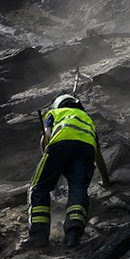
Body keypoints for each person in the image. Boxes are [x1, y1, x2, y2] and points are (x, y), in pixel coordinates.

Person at [26, 94, 110, 249]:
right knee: (78, 190)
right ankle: (73, 234)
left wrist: (48, 160)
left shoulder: (54, 113)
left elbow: (46, 136)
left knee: (39, 188)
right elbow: (98, 157)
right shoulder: (88, 120)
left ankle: (38, 236)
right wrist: (106, 181)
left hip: (60, 145)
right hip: (86, 150)